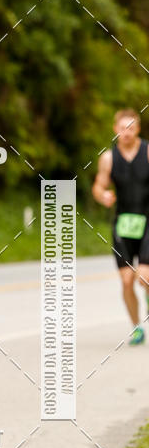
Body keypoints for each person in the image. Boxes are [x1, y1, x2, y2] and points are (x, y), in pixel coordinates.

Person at [93, 108, 149, 345]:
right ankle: (137, 327)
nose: (126, 133)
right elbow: (98, 186)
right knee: (126, 280)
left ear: (137, 130)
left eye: (131, 127)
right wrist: (103, 195)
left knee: (144, 278)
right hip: (123, 224)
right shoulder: (108, 158)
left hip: (148, 222)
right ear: (115, 130)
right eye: (122, 128)